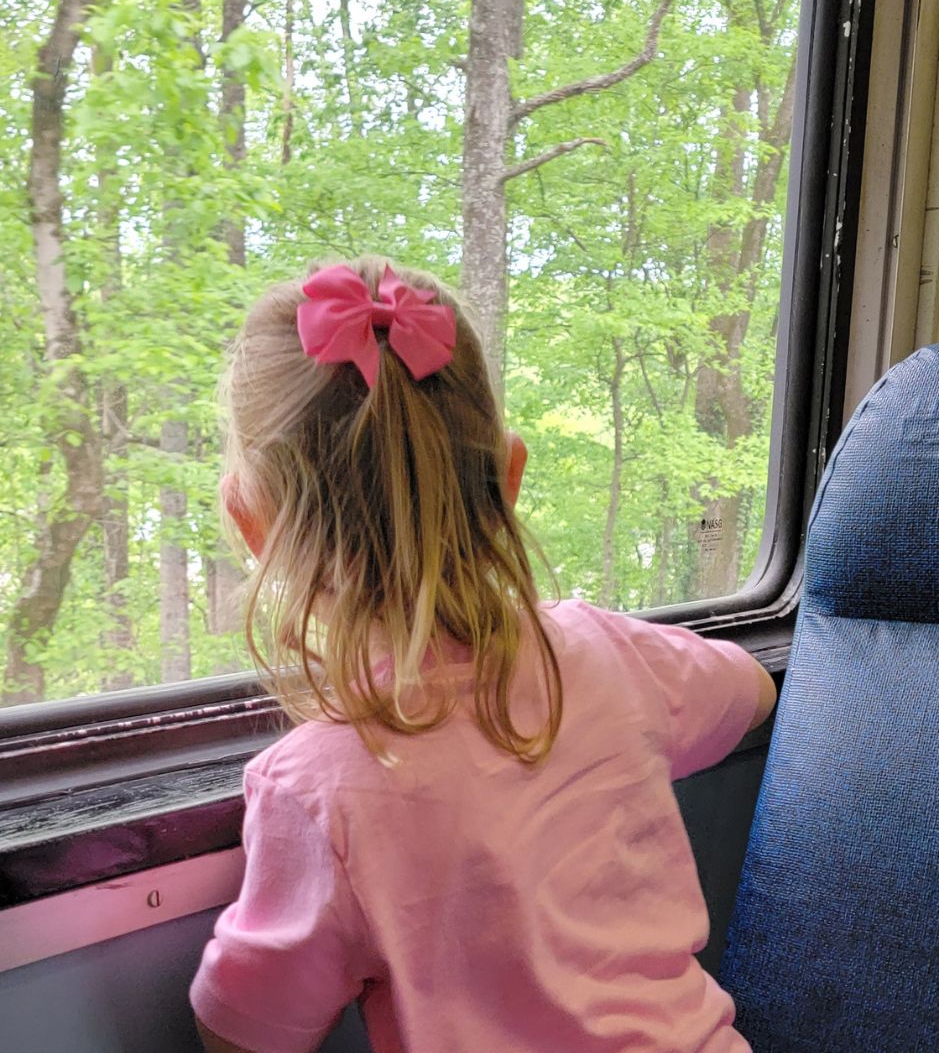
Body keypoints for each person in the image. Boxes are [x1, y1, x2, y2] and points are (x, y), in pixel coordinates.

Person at [190, 256, 777, 1053]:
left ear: (251, 525)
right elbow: (751, 690)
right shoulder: (610, 654)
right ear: (509, 479)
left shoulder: (315, 788)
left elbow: (245, 1031)